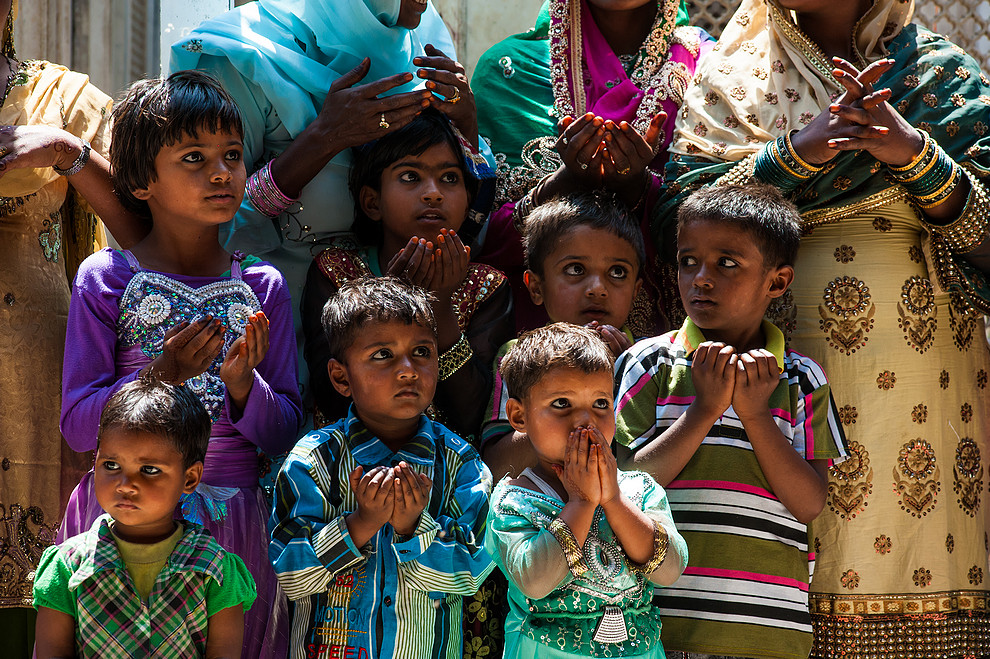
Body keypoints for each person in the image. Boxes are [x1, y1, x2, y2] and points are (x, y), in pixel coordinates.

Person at [653, 0, 990, 654]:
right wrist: (801, 150)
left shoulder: (945, 83)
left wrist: (916, 154)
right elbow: (679, 224)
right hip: (775, 385)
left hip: (927, 404)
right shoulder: (733, 82)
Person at [58, 71, 303, 659]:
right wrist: (156, 379)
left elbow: (286, 431)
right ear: (142, 181)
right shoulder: (107, 280)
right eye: (194, 157)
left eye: (233, 156)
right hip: (126, 523)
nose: (221, 173)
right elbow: (76, 425)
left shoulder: (261, 285)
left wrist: (245, 388)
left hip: (235, 526)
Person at [169, 0, 496, 423]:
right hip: (268, 328)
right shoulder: (243, 57)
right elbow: (207, 227)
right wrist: (323, 139)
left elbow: (466, 224)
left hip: (414, 343)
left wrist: (466, 128)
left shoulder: (424, 39)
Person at [615, 184, 847, 659]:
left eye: (726, 263)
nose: (700, 278)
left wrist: (755, 413)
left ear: (777, 282)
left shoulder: (801, 379)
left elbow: (808, 503)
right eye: (687, 261)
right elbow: (624, 485)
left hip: (765, 627)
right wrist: (704, 409)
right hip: (655, 624)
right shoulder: (651, 363)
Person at [0, 0, 149, 653]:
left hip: (40, 397)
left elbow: (155, 225)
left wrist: (70, 153)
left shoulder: (63, 98)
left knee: (44, 611)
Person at [270, 277, 494, 659]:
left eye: (422, 351)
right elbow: (291, 577)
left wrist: (412, 529)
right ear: (341, 377)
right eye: (382, 355)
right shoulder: (313, 461)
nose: (408, 369)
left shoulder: (461, 463)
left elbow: (470, 573)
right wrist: (360, 523)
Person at [472, 0, 713, 335]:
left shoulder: (715, 70)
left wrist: (640, 187)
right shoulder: (508, 72)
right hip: (538, 360)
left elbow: (734, 236)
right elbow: (479, 241)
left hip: (677, 365)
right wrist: (564, 182)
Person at [301, 108, 513, 440]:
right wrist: (394, 295)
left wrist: (440, 306)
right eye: (411, 176)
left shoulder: (487, 286)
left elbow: (472, 416)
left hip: (449, 473)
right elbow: (330, 395)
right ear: (372, 202)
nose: (433, 193)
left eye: (449, 178)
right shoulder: (336, 272)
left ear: (468, 200)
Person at [486, 322, 686, 659]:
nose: (585, 421)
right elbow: (534, 581)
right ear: (518, 416)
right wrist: (580, 502)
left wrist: (613, 501)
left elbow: (670, 570)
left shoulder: (639, 490)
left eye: (600, 403)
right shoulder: (513, 501)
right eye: (562, 403)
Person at [33, 378, 257, 659]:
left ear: (190, 478)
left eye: (149, 469)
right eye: (111, 465)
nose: (125, 484)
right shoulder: (66, 569)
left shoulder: (216, 572)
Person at [481, 193, 644, 479]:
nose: (597, 288)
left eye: (617, 272)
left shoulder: (647, 357)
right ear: (536, 287)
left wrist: (622, 377)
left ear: (636, 290)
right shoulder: (519, 357)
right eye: (575, 269)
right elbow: (496, 467)